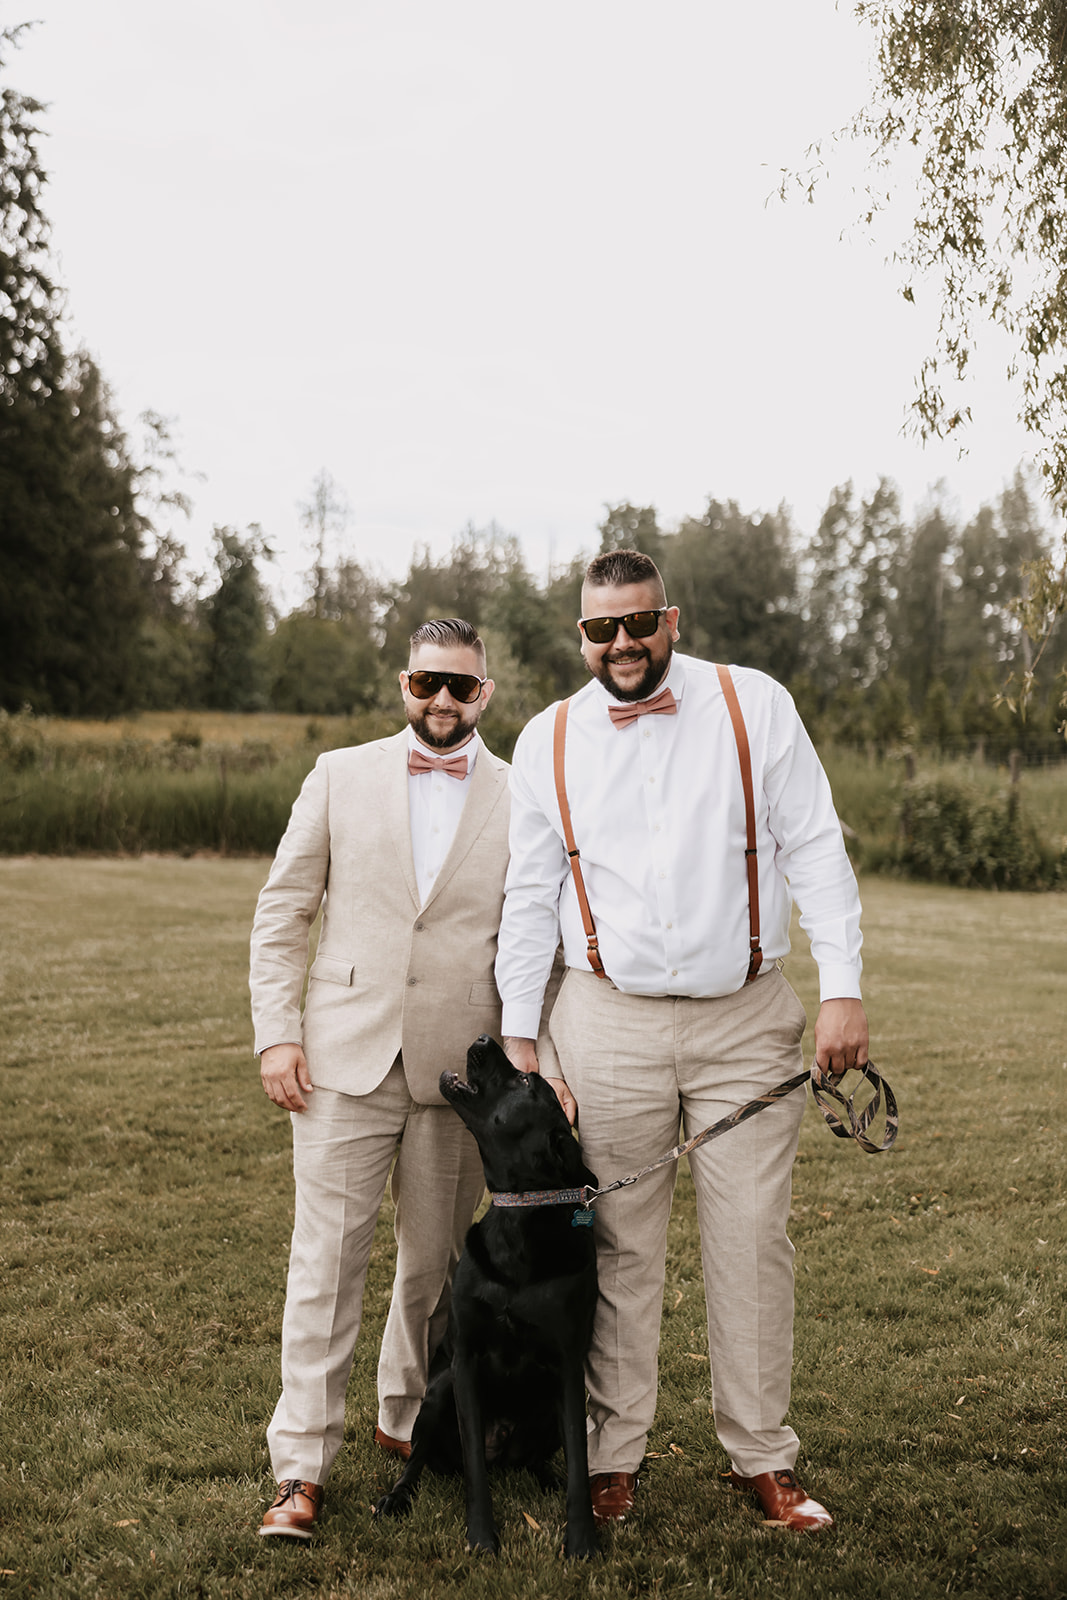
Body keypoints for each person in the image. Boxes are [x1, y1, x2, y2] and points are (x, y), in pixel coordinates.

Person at [495, 549, 867, 1532]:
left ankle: (762, 1458)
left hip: (744, 1017)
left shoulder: (754, 706)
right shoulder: (547, 739)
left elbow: (816, 850)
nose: (618, 643)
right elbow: (530, 894)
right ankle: (613, 1458)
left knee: (751, 1242)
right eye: (598, 628)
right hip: (603, 1018)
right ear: (579, 635)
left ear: (671, 619)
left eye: (636, 622)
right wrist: (520, 1036)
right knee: (616, 1244)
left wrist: (842, 991)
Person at [250, 617, 530, 1541]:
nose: (441, 701)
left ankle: (409, 1420)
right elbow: (284, 910)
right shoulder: (339, 774)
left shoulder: (520, 794)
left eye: (460, 687)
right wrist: (275, 1036)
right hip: (341, 1057)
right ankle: (299, 1469)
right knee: (325, 1265)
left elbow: (535, 939)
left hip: (458, 1071)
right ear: (402, 684)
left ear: (483, 692)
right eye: (425, 685)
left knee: (435, 1269)